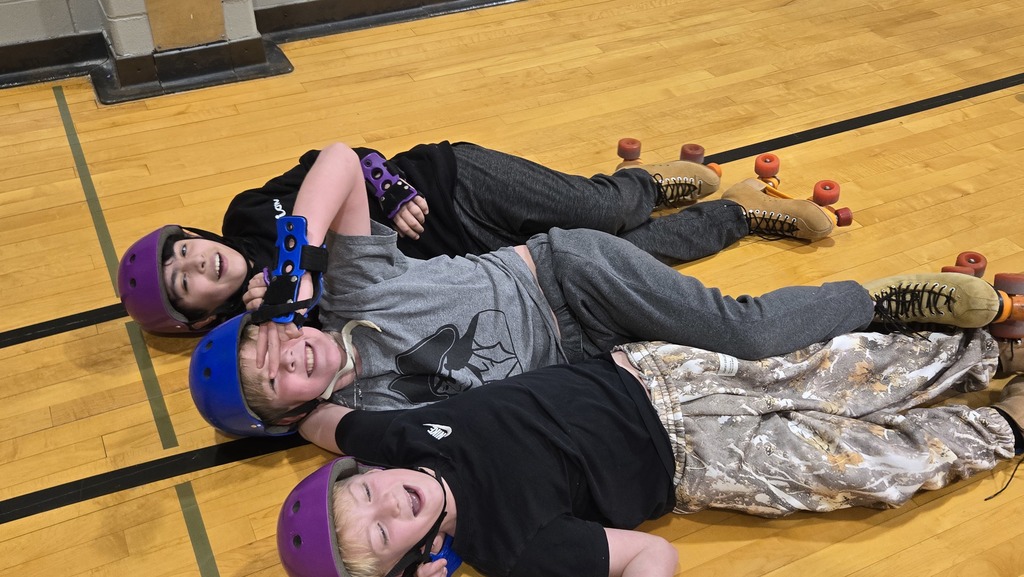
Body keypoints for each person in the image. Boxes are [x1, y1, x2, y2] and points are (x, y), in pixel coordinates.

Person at [186, 144, 1024, 437]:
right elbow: (327, 437)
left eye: (270, 339)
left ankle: (878, 299)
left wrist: (296, 264)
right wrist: (306, 418)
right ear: (289, 412)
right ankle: (736, 216)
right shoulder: (359, 417)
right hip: (588, 358)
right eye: (277, 375)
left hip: (561, 271)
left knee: (744, 333)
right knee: (738, 382)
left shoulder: (349, 296)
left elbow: (337, 158)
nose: (289, 350)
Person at [273, 328, 1024, 577]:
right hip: (706, 456)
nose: (384, 503)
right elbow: (648, 557)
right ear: (414, 564)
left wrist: (278, 399)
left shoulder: (397, 438)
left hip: (657, 373)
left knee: (846, 363)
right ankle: (1003, 429)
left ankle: (986, 350)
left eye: (363, 491)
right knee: (859, 461)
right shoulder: (510, 548)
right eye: (379, 533)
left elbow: (325, 422)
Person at [116, 140, 840, 334]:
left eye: (181, 245)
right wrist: (273, 311)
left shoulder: (248, 213)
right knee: (628, 258)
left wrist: (391, 190)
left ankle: (649, 184)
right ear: (200, 314)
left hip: (452, 183)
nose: (195, 258)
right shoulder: (265, 328)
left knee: (601, 210)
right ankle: (740, 210)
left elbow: (345, 157)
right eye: (185, 279)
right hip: (476, 267)